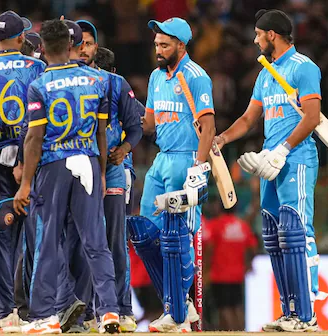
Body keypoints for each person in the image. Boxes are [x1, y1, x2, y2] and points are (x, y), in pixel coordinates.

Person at [215, 9, 326, 332]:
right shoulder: (266, 74)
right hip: (270, 163)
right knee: (275, 237)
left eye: (258, 34)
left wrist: (283, 149)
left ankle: (308, 314)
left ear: (272, 35)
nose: (254, 39)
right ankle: (290, 311)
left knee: (298, 230)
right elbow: (250, 119)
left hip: (297, 158)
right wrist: (222, 138)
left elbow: (313, 117)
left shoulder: (304, 68)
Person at [13, 19, 120, 334]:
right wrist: (101, 174)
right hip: (87, 161)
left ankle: (45, 317)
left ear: (43, 48)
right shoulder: (96, 80)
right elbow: (102, 131)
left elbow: (34, 138)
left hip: (54, 165)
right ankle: (110, 312)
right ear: (73, 47)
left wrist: (26, 183)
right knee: (95, 241)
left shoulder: (39, 85)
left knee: (47, 241)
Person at [139, 17, 216, 332]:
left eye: (164, 44)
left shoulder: (196, 77)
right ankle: (180, 304)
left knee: (178, 236)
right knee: (144, 231)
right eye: (156, 44)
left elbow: (208, 127)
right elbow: (147, 124)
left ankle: (177, 314)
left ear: (181, 45)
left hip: (186, 161)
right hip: (160, 160)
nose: (158, 50)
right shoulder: (156, 77)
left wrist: (198, 167)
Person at [0, 10, 46, 333]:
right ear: (21, 39)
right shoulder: (37, 67)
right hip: (28, 160)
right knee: (29, 237)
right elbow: (37, 120)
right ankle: (21, 309)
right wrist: (23, 161)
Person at [89, 44, 144, 332]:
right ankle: (88, 308)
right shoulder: (74, 81)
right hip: (86, 168)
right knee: (86, 240)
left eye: (88, 44)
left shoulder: (116, 85)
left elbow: (140, 123)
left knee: (114, 240)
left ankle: (121, 308)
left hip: (114, 169)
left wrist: (123, 149)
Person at [204, 205, 258, 331]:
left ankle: (231, 333)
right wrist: (248, 264)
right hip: (237, 275)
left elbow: (209, 249)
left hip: (219, 275)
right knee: (236, 307)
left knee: (224, 308)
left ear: (219, 208)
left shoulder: (215, 225)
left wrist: (205, 271)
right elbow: (253, 247)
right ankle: (241, 332)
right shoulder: (242, 225)